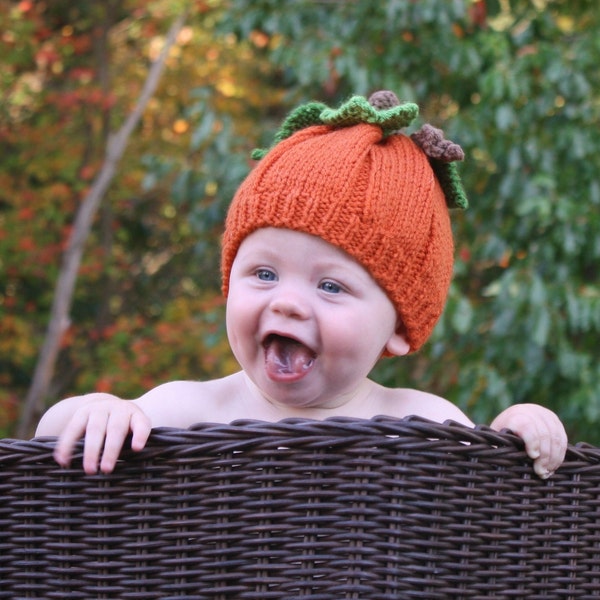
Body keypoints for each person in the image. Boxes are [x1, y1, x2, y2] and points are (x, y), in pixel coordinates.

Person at [36, 90, 567, 478]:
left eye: (331, 287)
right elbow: (49, 440)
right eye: (264, 274)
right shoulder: (191, 410)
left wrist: (518, 431)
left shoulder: (418, 421)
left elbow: (486, 489)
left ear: (398, 327)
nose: (287, 302)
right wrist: (103, 410)